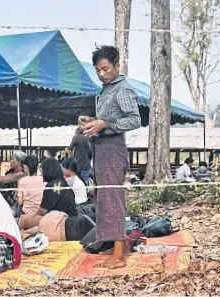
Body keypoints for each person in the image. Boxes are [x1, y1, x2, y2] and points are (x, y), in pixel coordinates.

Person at [79, 45, 141, 269]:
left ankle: (117, 256)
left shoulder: (123, 88)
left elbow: (134, 119)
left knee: (112, 198)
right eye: (98, 71)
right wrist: (92, 121)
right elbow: (106, 120)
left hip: (113, 149)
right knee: (103, 198)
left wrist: (105, 124)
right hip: (102, 148)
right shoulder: (106, 89)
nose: (102, 74)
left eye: (106, 69)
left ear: (117, 66)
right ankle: (121, 246)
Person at [17, 155, 45, 230]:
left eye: (24, 165)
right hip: (40, 215)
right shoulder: (43, 180)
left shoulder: (22, 181)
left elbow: (20, 202)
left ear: (26, 166)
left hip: (26, 214)